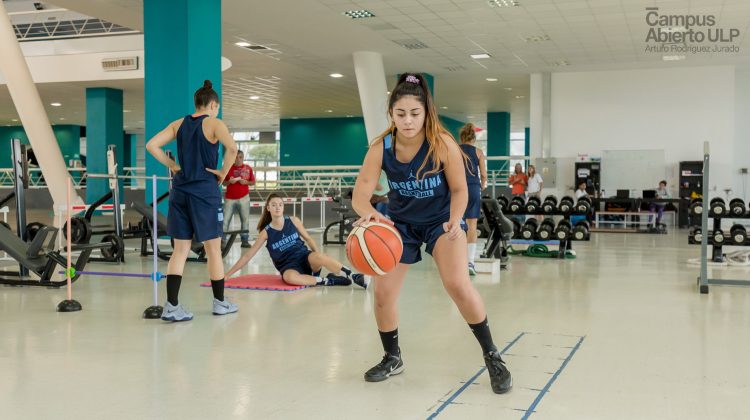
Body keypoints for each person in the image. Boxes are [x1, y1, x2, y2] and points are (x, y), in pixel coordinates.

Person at [351, 73, 512, 394]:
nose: (408, 121)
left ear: (426, 113)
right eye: (400, 114)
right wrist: (370, 217)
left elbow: (459, 189)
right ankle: (392, 357)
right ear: (391, 115)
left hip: (441, 221)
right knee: (382, 294)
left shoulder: (442, 143)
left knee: (457, 285)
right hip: (400, 226)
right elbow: (360, 195)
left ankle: (493, 355)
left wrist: (456, 220)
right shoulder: (381, 148)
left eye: (415, 113)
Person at [146, 80, 239, 322]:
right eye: (216, 107)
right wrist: (223, 172)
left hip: (180, 191)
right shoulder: (214, 122)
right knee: (213, 249)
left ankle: (172, 307)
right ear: (213, 104)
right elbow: (232, 148)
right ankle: (220, 303)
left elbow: (152, 145)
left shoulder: (179, 124)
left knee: (180, 250)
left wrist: (174, 166)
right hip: (204, 192)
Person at [225, 194, 368, 289]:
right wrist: (228, 275)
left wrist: (319, 259)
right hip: (289, 266)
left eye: (280, 204)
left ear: (283, 207)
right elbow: (247, 256)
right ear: (268, 208)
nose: (277, 207)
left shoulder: (293, 221)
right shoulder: (266, 232)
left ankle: (354, 276)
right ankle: (330, 281)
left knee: (319, 256)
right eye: (273, 205)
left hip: (304, 258)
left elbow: (308, 238)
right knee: (288, 278)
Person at [458, 123, 487, 276]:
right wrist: (481, 186)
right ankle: (470, 262)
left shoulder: (455, 150)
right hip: (474, 188)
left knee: (456, 223)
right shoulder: (478, 152)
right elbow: (483, 175)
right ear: (474, 138)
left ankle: (457, 261)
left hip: (457, 190)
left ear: (461, 137)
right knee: (472, 224)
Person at [222, 149, 255, 248]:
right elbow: (223, 183)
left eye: (240, 157)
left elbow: (253, 182)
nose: (238, 159)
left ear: (243, 158)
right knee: (225, 220)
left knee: (245, 220)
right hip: (229, 198)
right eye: (236, 157)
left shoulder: (248, 168)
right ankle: (222, 241)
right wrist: (229, 182)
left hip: (244, 198)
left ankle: (244, 241)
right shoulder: (228, 168)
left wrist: (246, 183)